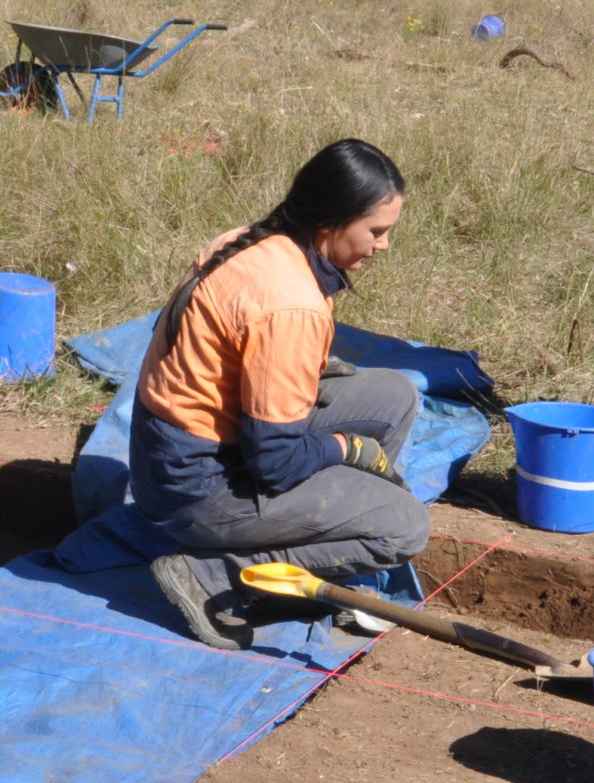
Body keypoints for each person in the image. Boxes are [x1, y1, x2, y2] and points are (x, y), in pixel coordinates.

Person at [134, 139, 428, 649]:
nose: (382, 246)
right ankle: (215, 575)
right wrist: (347, 449)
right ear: (330, 221)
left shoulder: (256, 240)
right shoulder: (290, 304)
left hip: (183, 446)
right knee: (403, 528)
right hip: (196, 486)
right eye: (376, 232)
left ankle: (307, 544)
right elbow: (275, 463)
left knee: (395, 395)